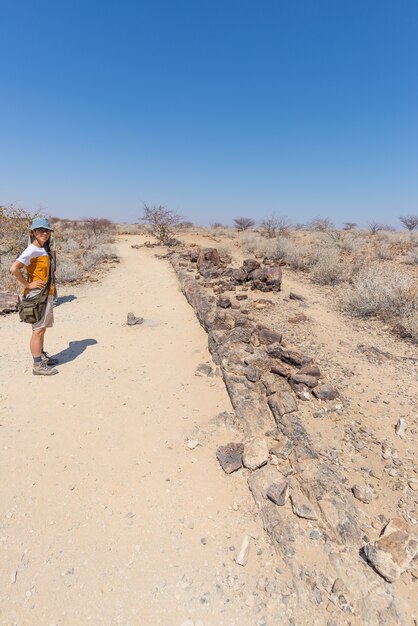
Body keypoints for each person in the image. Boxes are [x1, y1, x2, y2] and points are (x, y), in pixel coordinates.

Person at [10, 217, 59, 376]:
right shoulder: (31, 249)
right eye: (40, 231)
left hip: (46, 294)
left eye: (46, 230)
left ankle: (41, 356)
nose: (44, 233)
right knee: (37, 330)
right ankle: (37, 365)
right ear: (33, 233)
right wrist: (28, 284)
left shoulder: (43, 248)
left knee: (42, 329)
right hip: (38, 295)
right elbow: (14, 269)